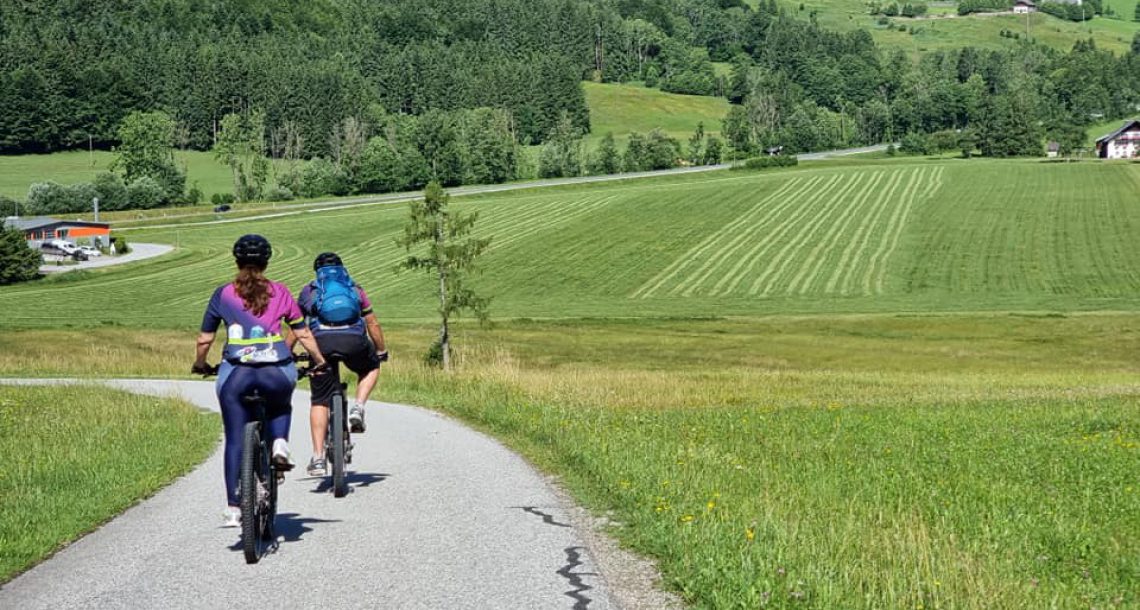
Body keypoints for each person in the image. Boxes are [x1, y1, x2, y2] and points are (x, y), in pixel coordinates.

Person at [192, 234, 329, 527]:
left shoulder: (223, 294)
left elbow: (205, 339)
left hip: (236, 374)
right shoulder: (280, 292)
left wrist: (200, 364)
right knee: (281, 405)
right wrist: (319, 361)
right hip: (276, 370)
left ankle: (233, 508)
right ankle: (279, 442)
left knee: (234, 440)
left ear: (237, 260)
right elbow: (303, 334)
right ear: (267, 262)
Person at [288, 252, 388, 477]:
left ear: (317, 272)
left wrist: (286, 353)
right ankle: (358, 407)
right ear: (342, 268)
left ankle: (318, 458)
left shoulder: (309, 291)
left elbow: (297, 327)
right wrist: (381, 350)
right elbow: (371, 321)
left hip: (320, 344)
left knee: (320, 400)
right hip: (353, 341)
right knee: (371, 367)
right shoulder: (355, 289)